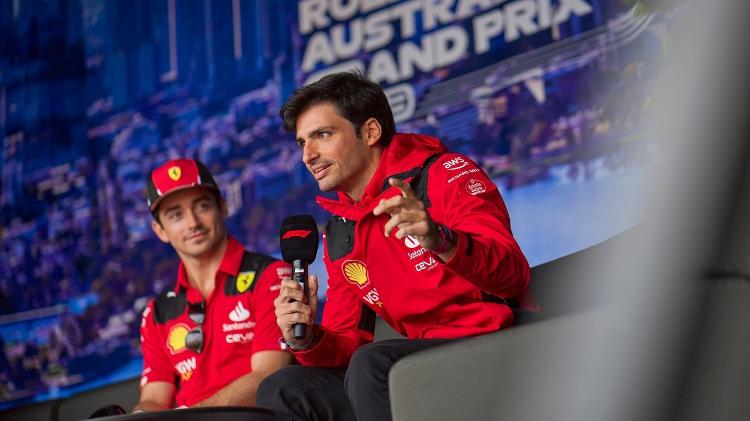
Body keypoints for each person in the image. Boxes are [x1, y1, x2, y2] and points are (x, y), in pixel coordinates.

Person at [256, 72, 531, 420]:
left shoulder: (445, 174)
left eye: (322, 135)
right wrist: (307, 337)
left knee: (373, 365)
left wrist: (440, 240)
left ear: (370, 132)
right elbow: (347, 342)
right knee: (283, 388)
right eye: (302, 143)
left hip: (498, 344)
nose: (308, 155)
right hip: (421, 361)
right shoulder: (340, 229)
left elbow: (513, 276)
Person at [134, 158, 292, 411]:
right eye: (176, 215)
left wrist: (187, 419)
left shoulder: (271, 277)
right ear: (160, 230)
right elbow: (154, 398)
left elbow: (268, 377)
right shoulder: (156, 314)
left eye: (202, 206)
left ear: (223, 207)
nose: (193, 223)